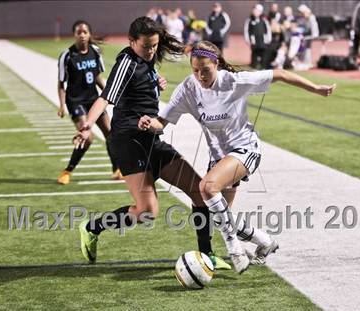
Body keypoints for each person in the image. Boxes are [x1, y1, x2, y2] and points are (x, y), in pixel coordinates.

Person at [74, 16, 249, 272]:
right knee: (147, 211)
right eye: (146, 46)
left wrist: (156, 81)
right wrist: (88, 124)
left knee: (200, 192)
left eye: (155, 46)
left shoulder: (147, 58)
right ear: (132, 42)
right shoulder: (126, 61)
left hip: (152, 139)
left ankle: (207, 255)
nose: (151, 50)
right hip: (129, 143)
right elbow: (105, 98)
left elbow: (143, 83)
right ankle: (92, 227)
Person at [138, 41, 336, 266]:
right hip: (219, 159)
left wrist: (316, 89)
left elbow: (279, 74)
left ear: (216, 64)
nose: (200, 76)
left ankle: (236, 252)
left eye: (205, 70)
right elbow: (161, 123)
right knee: (222, 217)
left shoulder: (233, 82)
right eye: (195, 70)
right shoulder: (187, 89)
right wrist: (148, 122)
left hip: (245, 149)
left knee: (206, 187)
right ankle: (265, 241)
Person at [57, 20, 121, 185]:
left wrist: (110, 94)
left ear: (89, 34)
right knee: (88, 137)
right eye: (79, 32)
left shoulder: (95, 51)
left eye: (85, 32)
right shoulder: (67, 55)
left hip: (94, 100)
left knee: (111, 134)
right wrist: (62, 105)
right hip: (75, 101)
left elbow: (97, 76)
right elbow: (61, 84)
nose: (82, 35)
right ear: (74, 35)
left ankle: (116, 170)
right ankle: (67, 171)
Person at [244, 4, 271, 69]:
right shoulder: (249, 20)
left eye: (257, 10)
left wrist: (268, 39)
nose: (255, 11)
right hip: (254, 42)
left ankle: (263, 67)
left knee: (264, 54)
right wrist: (248, 40)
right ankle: (253, 66)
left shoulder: (264, 20)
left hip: (263, 41)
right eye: (254, 10)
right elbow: (246, 30)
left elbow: (268, 30)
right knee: (254, 54)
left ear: (260, 12)